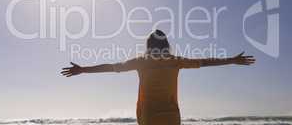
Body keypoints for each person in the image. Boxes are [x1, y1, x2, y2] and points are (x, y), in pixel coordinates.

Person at [61, 29, 255, 125]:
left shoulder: (141, 61)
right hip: (172, 117)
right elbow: (204, 62)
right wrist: (231, 60)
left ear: (148, 45)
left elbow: (112, 67)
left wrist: (84, 69)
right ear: (166, 44)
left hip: (148, 117)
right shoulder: (175, 60)